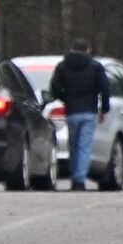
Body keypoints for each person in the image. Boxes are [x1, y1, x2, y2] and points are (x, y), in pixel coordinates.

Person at [49, 39, 111, 191]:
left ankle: (74, 175)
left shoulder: (63, 66)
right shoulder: (96, 66)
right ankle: (79, 180)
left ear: (71, 49)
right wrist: (104, 109)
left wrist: (65, 98)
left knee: (73, 145)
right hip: (89, 111)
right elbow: (105, 89)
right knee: (84, 146)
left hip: (72, 111)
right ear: (88, 50)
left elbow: (54, 87)